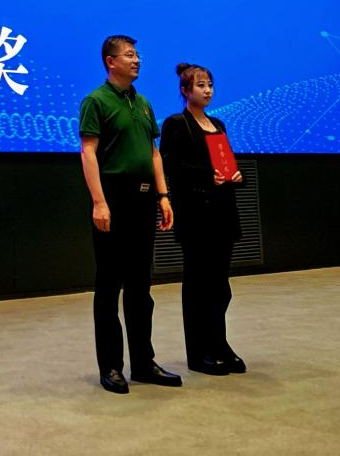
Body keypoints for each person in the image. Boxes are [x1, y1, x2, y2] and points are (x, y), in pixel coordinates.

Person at [79, 34, 183, 394]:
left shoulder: (143, 103)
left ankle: (143, 363)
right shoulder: (96, 101)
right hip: (113, 199)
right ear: (111, 62)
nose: (136, 60)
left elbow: (153, 153)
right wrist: (99, 202)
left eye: (137, 54)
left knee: (141, 285)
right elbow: (88, 153)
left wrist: (164, 196)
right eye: (129, 55)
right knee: (109, 285)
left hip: (143, 199)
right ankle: (111, 366)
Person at [159, 62, 246, 375]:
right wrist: (207, 176)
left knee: (220, 286)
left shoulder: (218, 124)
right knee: (198, 285)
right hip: (196, 215)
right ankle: (198, 353)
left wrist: (236, 175)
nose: (207, 90)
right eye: (200, 85)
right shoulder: (176, 124)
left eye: (210, 85)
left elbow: (226, 162)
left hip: (223, 212)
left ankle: (219, 343)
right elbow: (172, 167)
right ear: (185, 90)